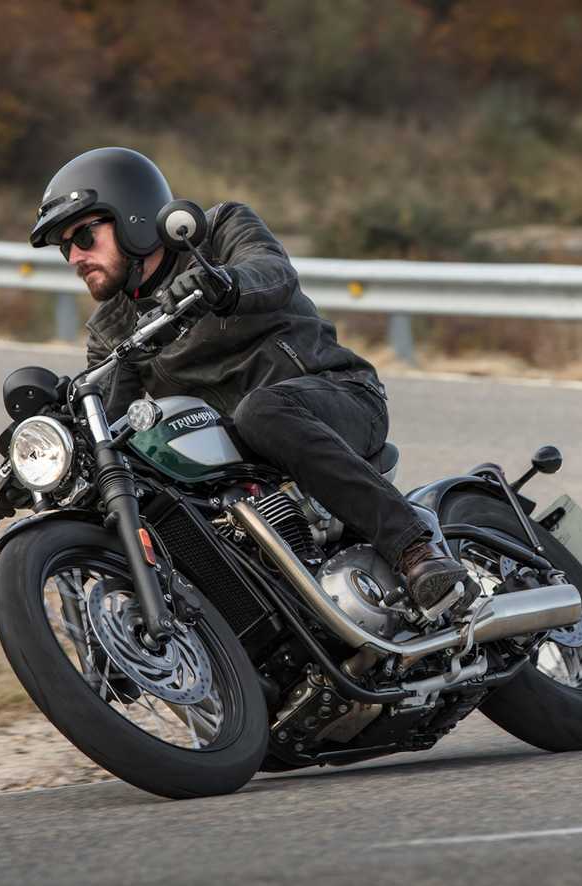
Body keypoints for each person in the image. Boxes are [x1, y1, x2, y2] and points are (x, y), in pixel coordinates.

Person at [28, 147, 465, 611]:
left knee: (261, 410)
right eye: (64, 247)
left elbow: (273, 272)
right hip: (240, 465)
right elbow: (113, 421)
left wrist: (222, 285)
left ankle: (415, 549)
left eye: (84, 235)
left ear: (132, 215)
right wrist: (51, 439)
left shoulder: (217, 231)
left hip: (336, 396)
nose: (74, 256)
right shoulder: (110, 329)